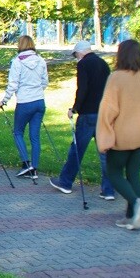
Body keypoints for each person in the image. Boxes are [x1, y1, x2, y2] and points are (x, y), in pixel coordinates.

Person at [95, 40, 140, 230]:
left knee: (113, 171)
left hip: (122, 135)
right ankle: (131, 217)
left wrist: (104, 136)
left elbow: (108, 110)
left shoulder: (116, 78)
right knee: (133, 172)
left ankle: (137, 203)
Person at [50, 40, 115, 199]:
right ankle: (108, 190)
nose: (76, 58)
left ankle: (65, 182)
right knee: (105, 152)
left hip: (87, 114)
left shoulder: (84, 64)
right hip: (104, 113)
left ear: (80, 52)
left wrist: (75, 108)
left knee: (77, 149)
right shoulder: (103, 64)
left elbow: (83, 88)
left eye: (76, 55)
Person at [0, 35, 49, 179]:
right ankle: (34, 167)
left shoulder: (17, 62)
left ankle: (26, 163)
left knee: (18, 132)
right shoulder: (41, 60)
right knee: (35, 136)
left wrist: (4, 100)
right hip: (39, 101)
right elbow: (45, 81)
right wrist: (37, 90)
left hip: (25, 101)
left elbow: (13, 84)